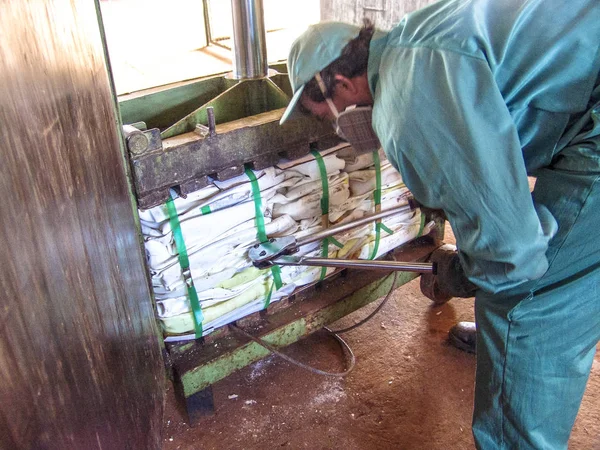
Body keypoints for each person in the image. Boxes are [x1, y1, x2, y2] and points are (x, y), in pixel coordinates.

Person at [279, 0, 600, 448]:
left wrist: (465, 275)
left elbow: (512, 252)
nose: (335, 126)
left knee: (525, 301)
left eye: (324, 113)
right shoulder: (411, 40)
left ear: (341, 83)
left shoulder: (406, 100)